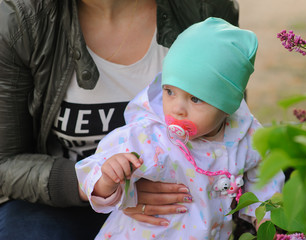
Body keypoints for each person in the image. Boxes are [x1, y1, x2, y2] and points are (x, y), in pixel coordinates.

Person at [0, 0, 239, 239]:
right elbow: (5, 162)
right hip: (58, 200)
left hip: (181, 199)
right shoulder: (22, 18)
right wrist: (103, 185)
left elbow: (228, 126)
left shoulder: (204, 9)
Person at [76, 18, 285, 239]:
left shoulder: (246, 135)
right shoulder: (150, 136)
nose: (177, 108)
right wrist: (107, 178)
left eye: (195, 99)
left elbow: (264, 173)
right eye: (169, 91)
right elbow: (89, 173)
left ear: (227, 105)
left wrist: (265, 218)